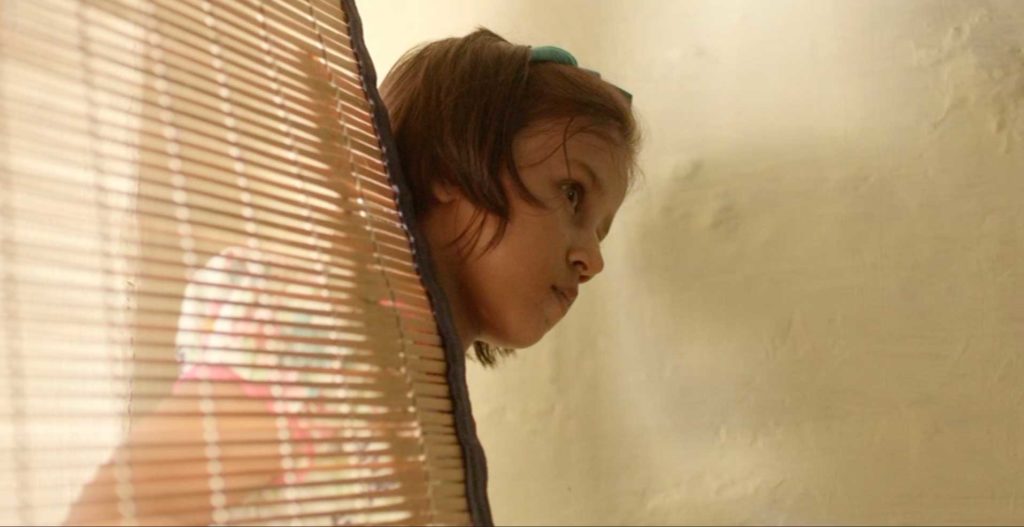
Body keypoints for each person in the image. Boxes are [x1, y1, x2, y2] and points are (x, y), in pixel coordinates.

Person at [64, 27, 639, 525]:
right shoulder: (330, 329)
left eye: (602, 231)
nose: (593, 258)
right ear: (449, 168)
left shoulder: (421, 396)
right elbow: (124, 508)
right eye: (572, 194)